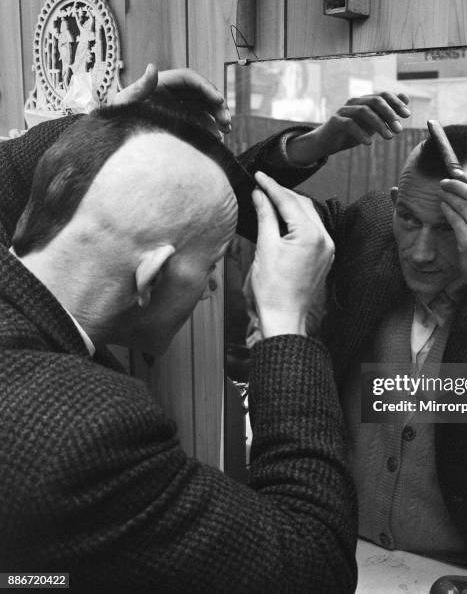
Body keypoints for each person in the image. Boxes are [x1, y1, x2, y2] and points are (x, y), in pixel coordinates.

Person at [0, 73, 357, 592]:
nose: (213, 288)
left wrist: (107, 130)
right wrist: (286, 324)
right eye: (211, 267)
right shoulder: (85, 434)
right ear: (152, 277)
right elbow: (312, 564)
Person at [243, 96, 467, 578]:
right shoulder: (370, 230)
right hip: (342, 556)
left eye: (447, 229)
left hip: (462, 573)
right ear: (395, 204)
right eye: (410, 220)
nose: (419, 253)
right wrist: (315, 143)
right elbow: (237, 198)